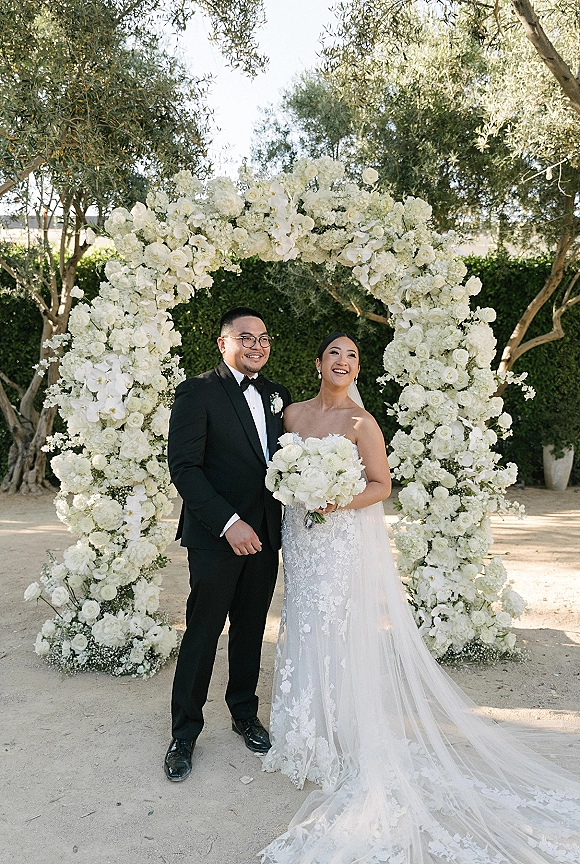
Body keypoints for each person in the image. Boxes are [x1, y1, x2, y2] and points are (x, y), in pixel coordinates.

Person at [260, 332, 580, 863]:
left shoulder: (363, 424)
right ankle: (303, 729)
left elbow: (381, 485)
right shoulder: (291, 415)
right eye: (334, 354)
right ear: (317, 362)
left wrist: (334, 500)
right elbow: (280, 471)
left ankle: (343, 733)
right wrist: (300, 492)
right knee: (304, 619)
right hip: (301, 538)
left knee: (338, 626)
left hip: (338, 539)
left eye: (352, 357)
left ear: (357, 369)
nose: (342, 362)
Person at [164, 307, 291, 782]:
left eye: (263, 337)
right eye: (245, 337)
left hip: (266, 534)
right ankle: (184, 733)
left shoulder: (279, 395)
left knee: (251, 628)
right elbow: (185, 468)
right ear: (224, 343)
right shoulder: (196, 392)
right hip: (218, 536)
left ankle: (243, 712)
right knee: (203, 630)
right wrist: (229, 523)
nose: (256, 345)